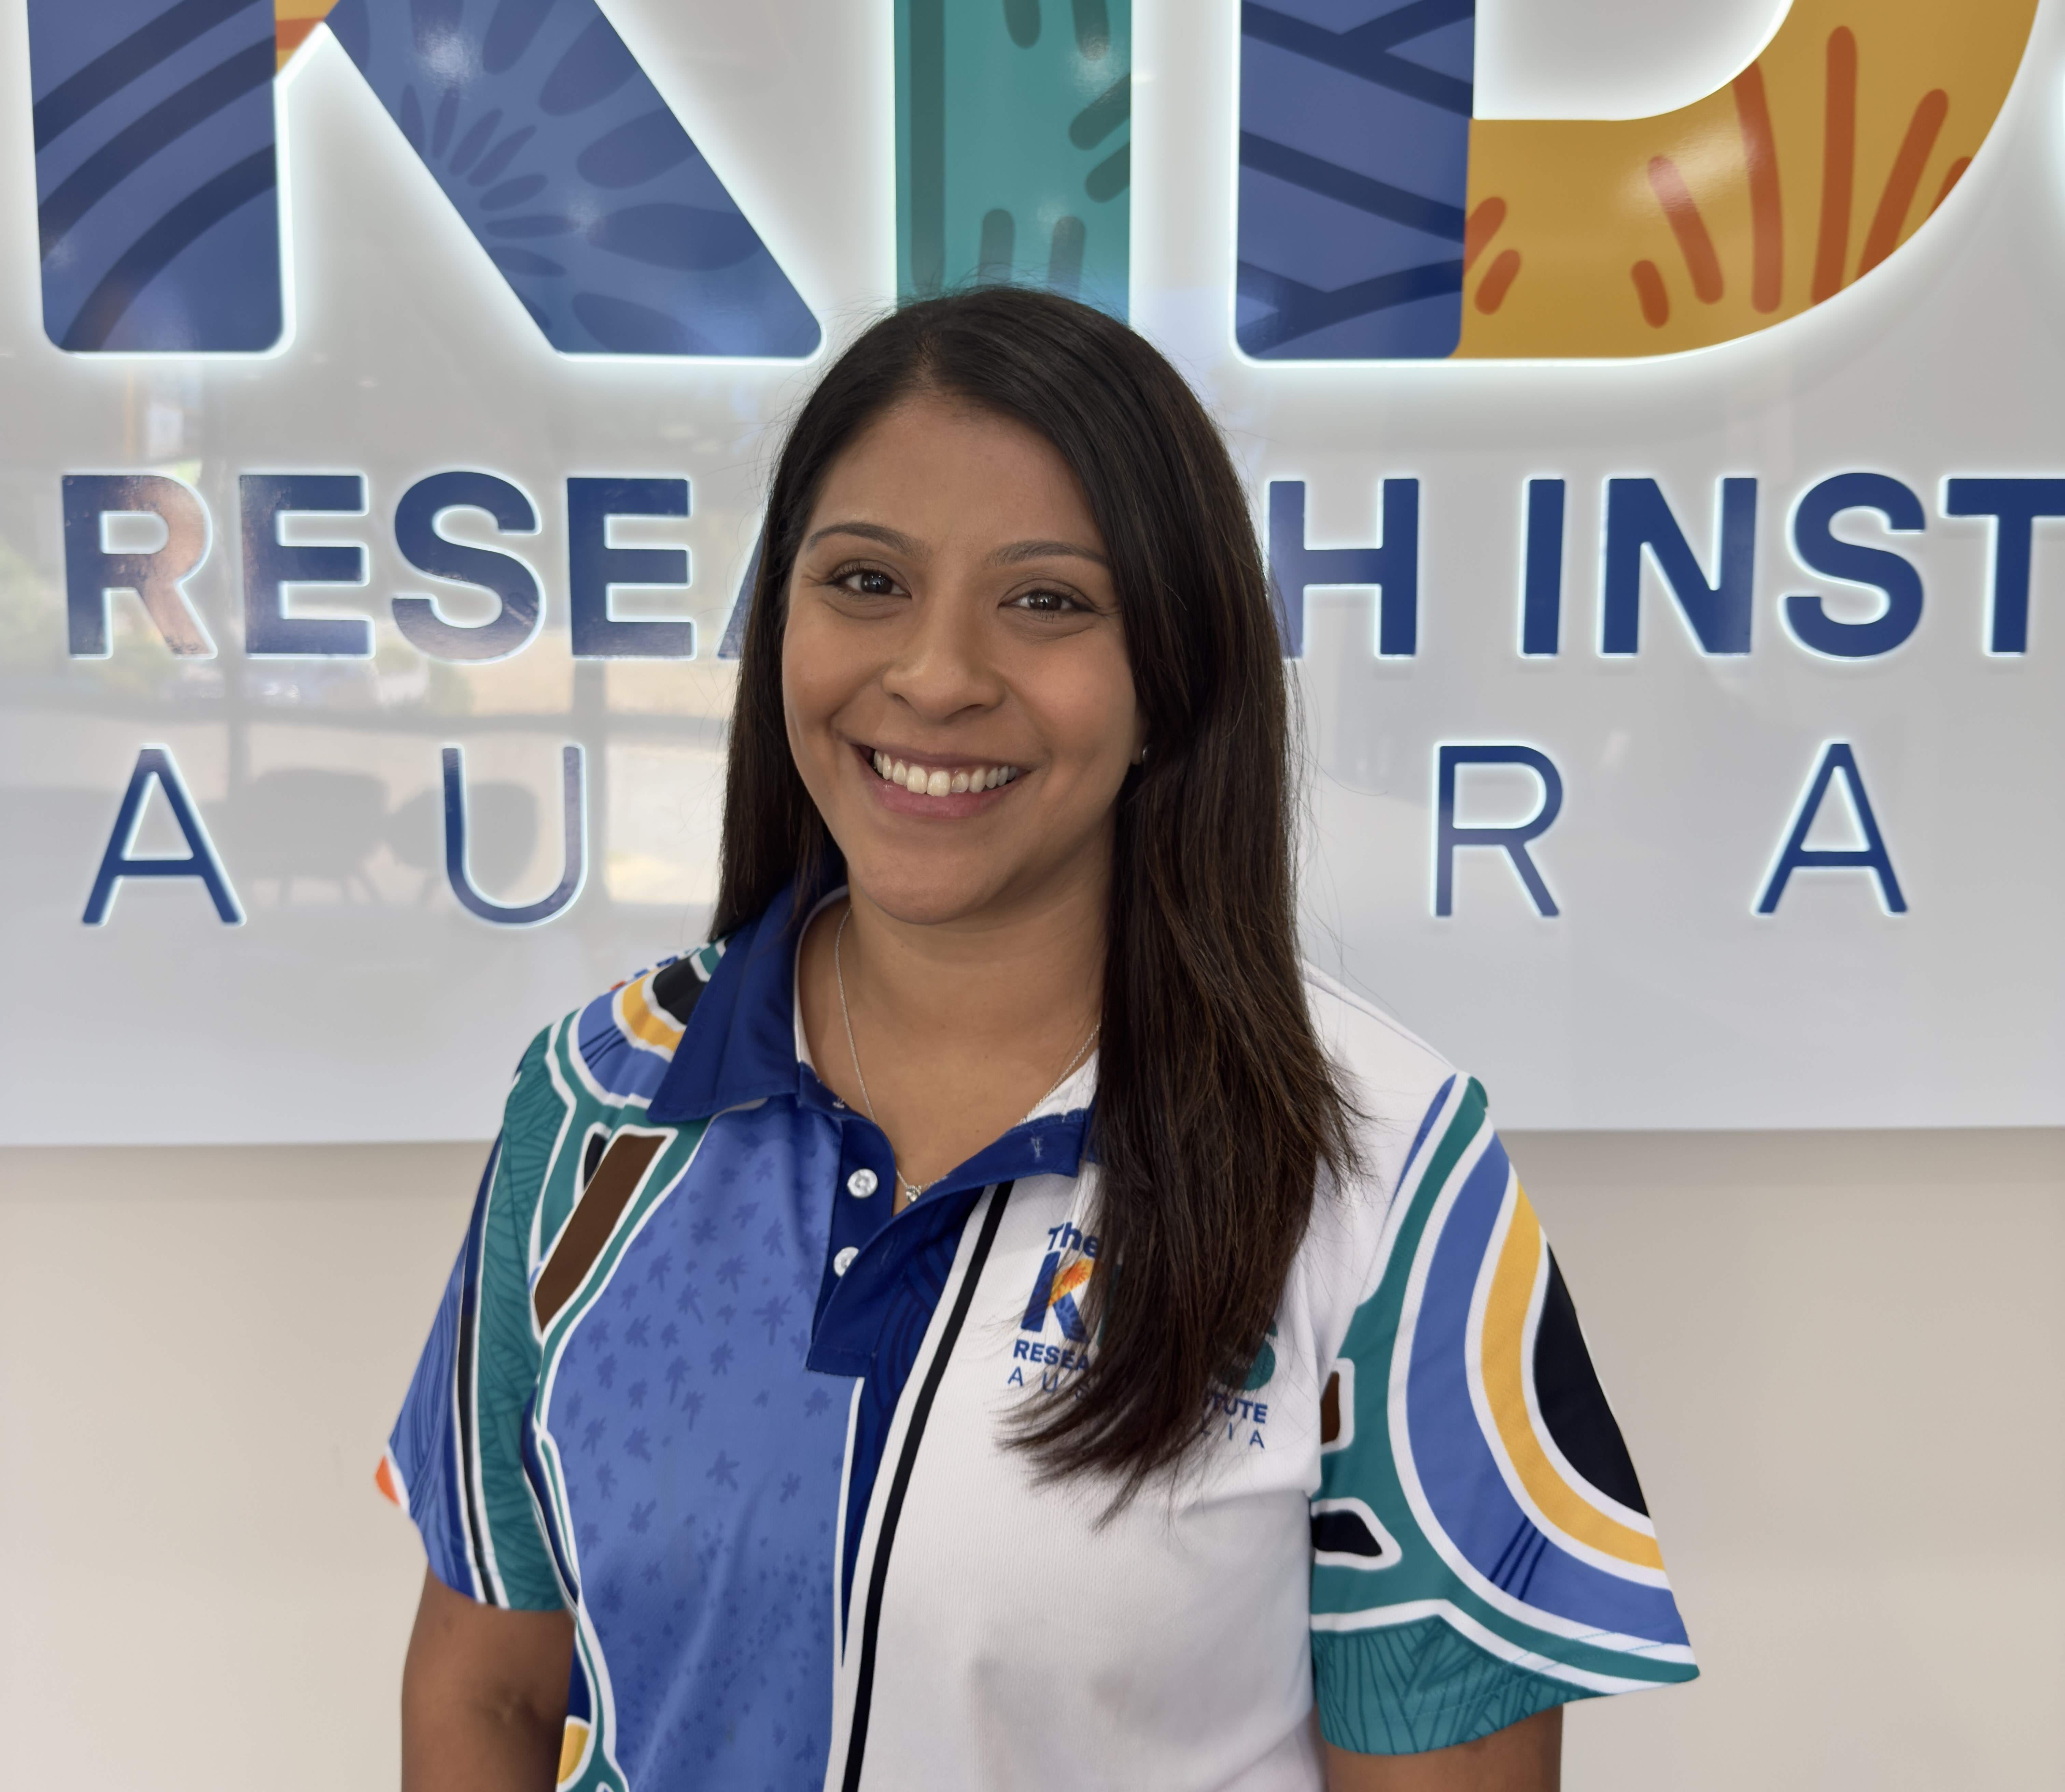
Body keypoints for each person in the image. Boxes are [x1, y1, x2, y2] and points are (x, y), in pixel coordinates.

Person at [381, 286, 1695, 1792]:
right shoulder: (595, 1102)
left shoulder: (1383, 1164)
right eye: (865, 579)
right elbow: (488, 1692)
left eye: (1049, 600)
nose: (936, 673)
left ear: (1171, 678)